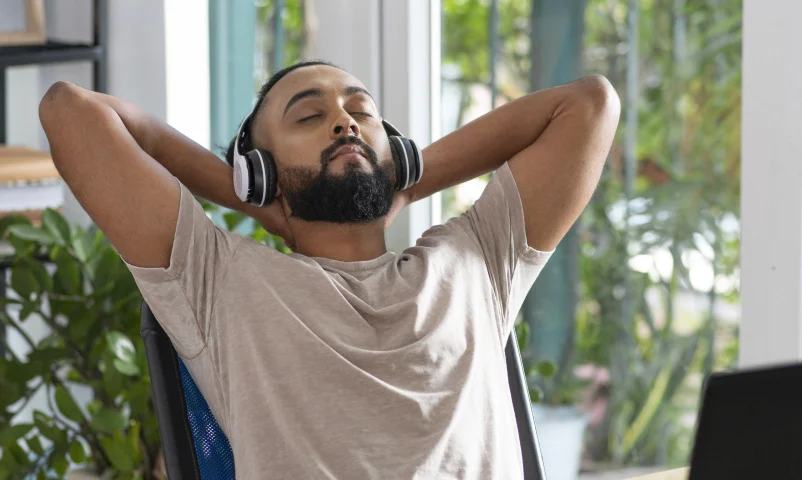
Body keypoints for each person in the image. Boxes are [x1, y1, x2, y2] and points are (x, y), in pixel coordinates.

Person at [38, 60, 620, 479]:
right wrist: (251, 197)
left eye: (361, 112)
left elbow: (589, 104)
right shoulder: (220, 281)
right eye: (309, 116)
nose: (345, 123)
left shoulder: (476, 259)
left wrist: (403, 174)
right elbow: (72, 111)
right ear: (260, 168)